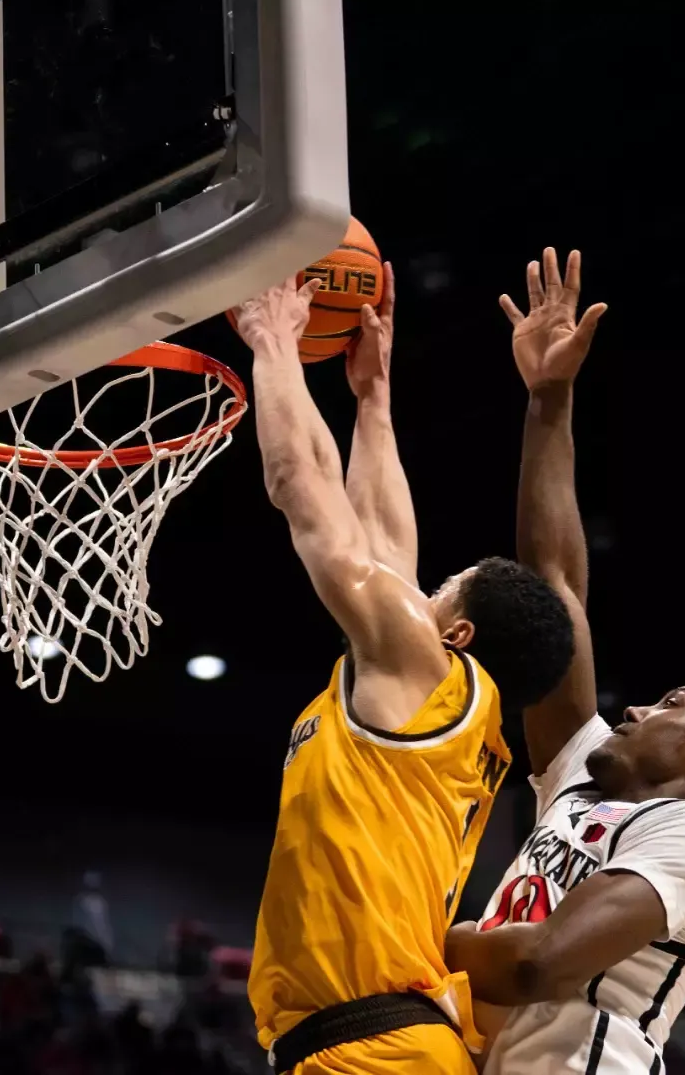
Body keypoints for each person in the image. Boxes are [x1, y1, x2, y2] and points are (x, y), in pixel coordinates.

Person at [443, 249, 685, 1073]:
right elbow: (554, 588)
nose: (636, 708)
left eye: (672, 704)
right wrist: (548, 399)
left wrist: (411, 934)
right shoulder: (582, 781)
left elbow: (537, 963)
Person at [233, 267, 577, 1073]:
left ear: (455, 633)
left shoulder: (430, 675)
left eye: (438, 589)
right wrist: (373, 397)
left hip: (375, 1049)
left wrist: (272, 338)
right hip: (380, 1045)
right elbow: (383, 544)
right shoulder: (449, 713)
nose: (414, 590)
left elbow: (299, 486)